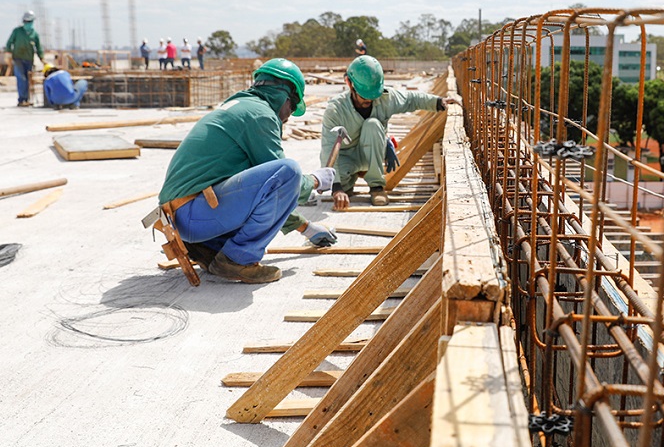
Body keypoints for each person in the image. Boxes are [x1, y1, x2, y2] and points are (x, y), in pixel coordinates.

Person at [157, 58, 338, 283]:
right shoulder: (260, 115)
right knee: (289, 171)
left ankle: (211, 249)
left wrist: (306, 228)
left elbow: (268, 194)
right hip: (194, 215)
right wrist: (315, 181)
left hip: (180, 218)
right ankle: (237, 260)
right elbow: (285, 183)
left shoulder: (242, 107)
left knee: (275, 178)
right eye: (292, 105)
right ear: (283, 95)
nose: (289, 115)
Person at [321, 55, 459, 210]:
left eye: (373, 95)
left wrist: (438, 102)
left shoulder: (384, 98)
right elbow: (328, 148)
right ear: (349, 83)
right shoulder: (335, 109)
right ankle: (350, 179)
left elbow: (411, 99)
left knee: (372, 124)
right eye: (364, 95)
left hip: (372, 151)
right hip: (348, 157)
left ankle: (376, 187)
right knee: (342, 185)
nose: (370, 100)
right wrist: (337, 187)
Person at [5, 11, 44, 107]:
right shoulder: (17, 31)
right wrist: (8, 54)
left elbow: (38, 47)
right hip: (18, 58)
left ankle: (26, 99)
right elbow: (9, 43)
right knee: (21, 78)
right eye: (26, 21)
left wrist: (41, 58)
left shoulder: (34, 34)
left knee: (28, 79)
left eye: (29, 21)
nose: (27, 23)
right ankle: (22, 99)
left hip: (29, 59)